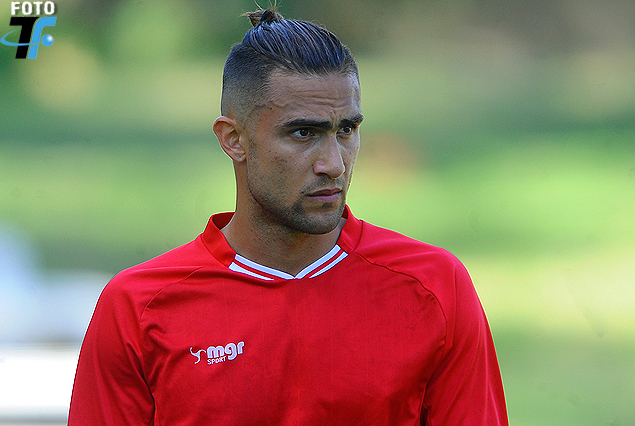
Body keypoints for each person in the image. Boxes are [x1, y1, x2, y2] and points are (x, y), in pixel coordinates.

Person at [68, 8, 508, 426]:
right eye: (303, 132)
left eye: (346, 130)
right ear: (233, 139)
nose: (333, 164)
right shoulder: (138, 308)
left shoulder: (434, 287)